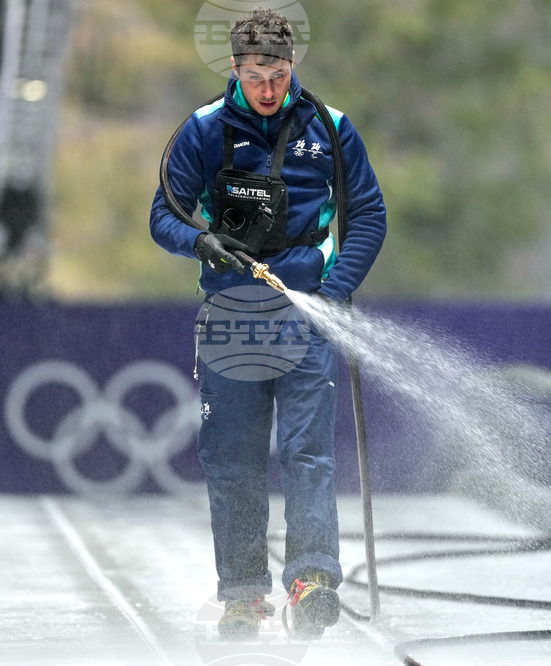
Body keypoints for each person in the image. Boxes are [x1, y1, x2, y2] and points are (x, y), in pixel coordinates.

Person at [150, 8, 386, 641]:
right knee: (232, 461)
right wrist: (201, 243)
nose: (267, 88)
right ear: (234, 68)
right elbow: (162, 217)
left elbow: (368, 217)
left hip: (303, 317)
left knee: (308, 455)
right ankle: (242, 595)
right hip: (230, 319)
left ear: (293, 68)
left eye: (278, 73)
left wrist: (333, 294)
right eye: (255, 74)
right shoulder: (202, 131)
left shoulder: (332, 131)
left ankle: (311, 581)